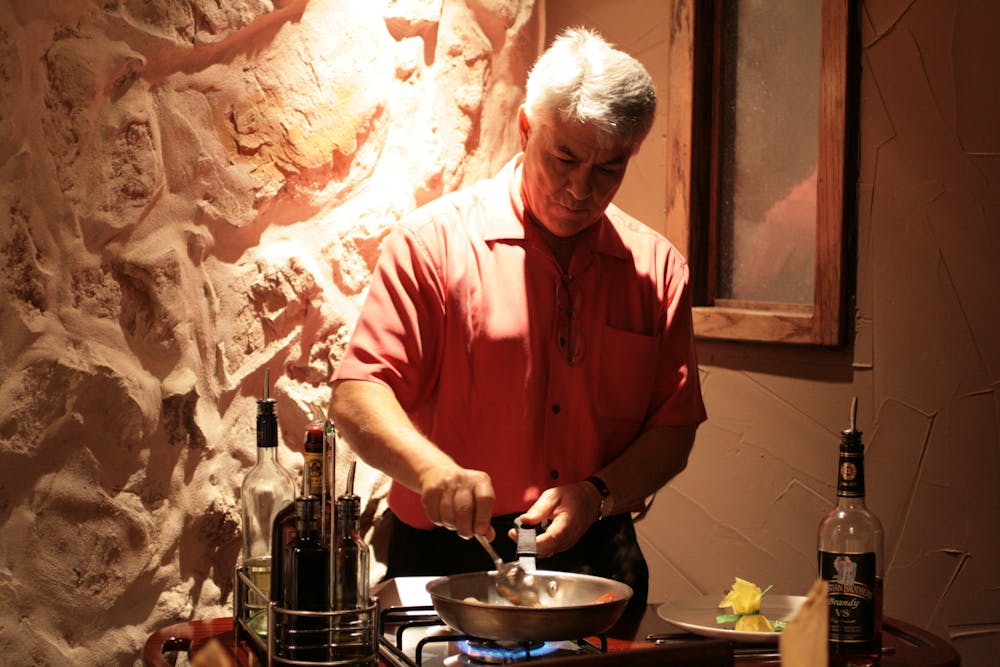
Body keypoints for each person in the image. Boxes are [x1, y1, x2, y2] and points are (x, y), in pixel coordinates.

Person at [329, 27, 706, 610]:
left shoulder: (657, 269)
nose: (581, 189)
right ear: (527, 130)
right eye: (565, 158)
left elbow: (674, 429)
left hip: (596, 546)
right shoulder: (432, 245)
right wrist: (432, 470)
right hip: (450, 553)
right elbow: (357, 395)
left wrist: (597, 494)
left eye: (609, 170)